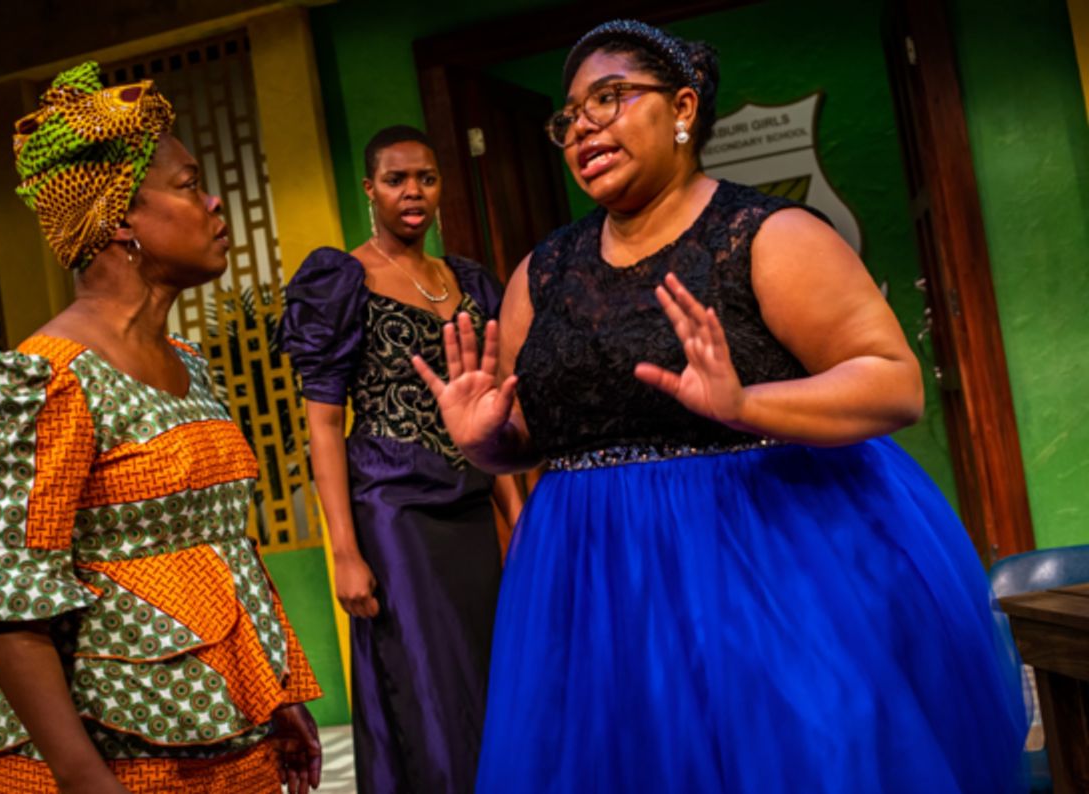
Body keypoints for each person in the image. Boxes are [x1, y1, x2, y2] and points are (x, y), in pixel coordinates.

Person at [413, 20, 1028, 794]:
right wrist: (487, 442)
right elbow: (536, 436)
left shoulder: (767, 235)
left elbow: (893, 381)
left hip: (766, 563)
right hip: (593, 585)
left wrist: (745, 403)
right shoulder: (542, 271)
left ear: (682, 107)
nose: (584, 127)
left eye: (609, 98)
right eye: (569, 117)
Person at [0, 62, 323, 794]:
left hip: (219, 735)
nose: (213, 203)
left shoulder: (188, 362)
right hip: (109, 758)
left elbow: (218, 550)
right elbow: (7, 602)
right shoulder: (39, 379)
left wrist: (275, 701)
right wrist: (85, 778)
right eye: (187, 185)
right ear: (120, 220)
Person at [279, 125, 522, 793]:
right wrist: (344, 551)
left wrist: (516, 511)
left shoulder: (467, 281)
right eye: (396, 179)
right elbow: (325, 423)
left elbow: (492, 410)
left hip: (473, 508)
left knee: (487, 673)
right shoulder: (343, 280)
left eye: (426, 178)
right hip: (395, 512)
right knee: (431, 684)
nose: (413, 192)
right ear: (369, 190)